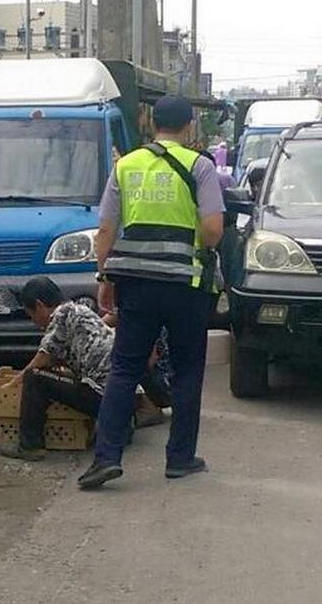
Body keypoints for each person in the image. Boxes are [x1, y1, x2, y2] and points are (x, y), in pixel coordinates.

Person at [81, 95, 225, 489]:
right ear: (190, 126)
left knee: (125, 368)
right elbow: (213, 232)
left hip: (136, 285)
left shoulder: (125, 166)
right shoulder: (201, 166)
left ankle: (106, 457)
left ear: (150, 122)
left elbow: (106, 229)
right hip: (186, 286)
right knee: (188, 369)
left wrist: (103, 276)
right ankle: (180, 458)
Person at [0, 277, 113, 461]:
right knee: (50, 375)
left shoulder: (61, 315)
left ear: (40, 305)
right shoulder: (79, 310)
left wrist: (11, 384)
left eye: (32, 315)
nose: (35, 322)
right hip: (120, 398)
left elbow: (41, 359)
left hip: (102, 397)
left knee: (34, 377)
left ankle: (29, 446)